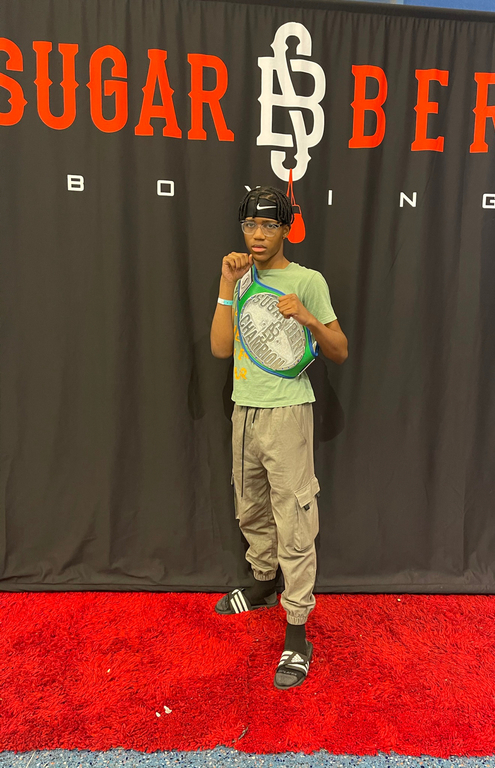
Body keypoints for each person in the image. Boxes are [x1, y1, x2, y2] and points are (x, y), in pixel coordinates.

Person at [210, 185, 348, 690]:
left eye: (269, 225)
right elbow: (221, 348)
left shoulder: (307, 280)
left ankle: (297, 632)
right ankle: (263, 585)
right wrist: (226, 285)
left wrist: (307, 317)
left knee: (293, 518)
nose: (258, 234)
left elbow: (339, 349)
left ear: (286, 229)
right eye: (251, 224)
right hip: (244, 409)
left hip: (288, 412)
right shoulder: (240, 275)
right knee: (250, 507)